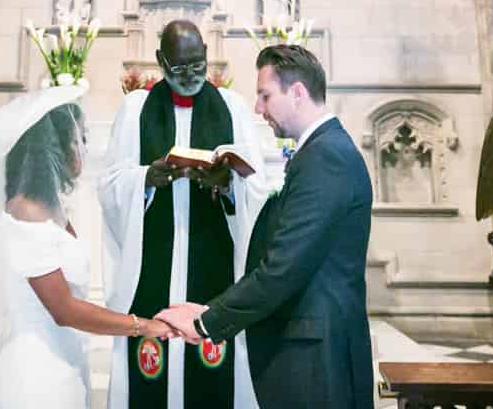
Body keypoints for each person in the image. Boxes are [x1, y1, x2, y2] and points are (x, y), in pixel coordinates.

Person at [154, 44, 375, 409]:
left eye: (265, 95)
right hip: (311, 346)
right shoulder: (319, 151)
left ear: (298, 93)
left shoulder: (326, 157)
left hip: (315, 356)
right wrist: (207, 312)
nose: (258, 108)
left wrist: (208, 322)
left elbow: (282, 269)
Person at [0, 84, 174, 409]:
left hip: (64, 359)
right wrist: (142, 326)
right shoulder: (25, 214)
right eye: (78, 139)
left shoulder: (52, 209)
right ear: (53, 148)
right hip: (33, 375)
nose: (84, 148)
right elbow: (64, 309)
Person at [99, 21, 269, 409]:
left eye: (198, 65)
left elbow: (259, 190)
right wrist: (147, 177)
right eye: (180, 68)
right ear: (161, 62)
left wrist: (228, 183)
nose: (191, 75)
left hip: (215, 257)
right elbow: (109, 188)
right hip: (153, 259)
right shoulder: (135, 109)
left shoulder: (233, 107)